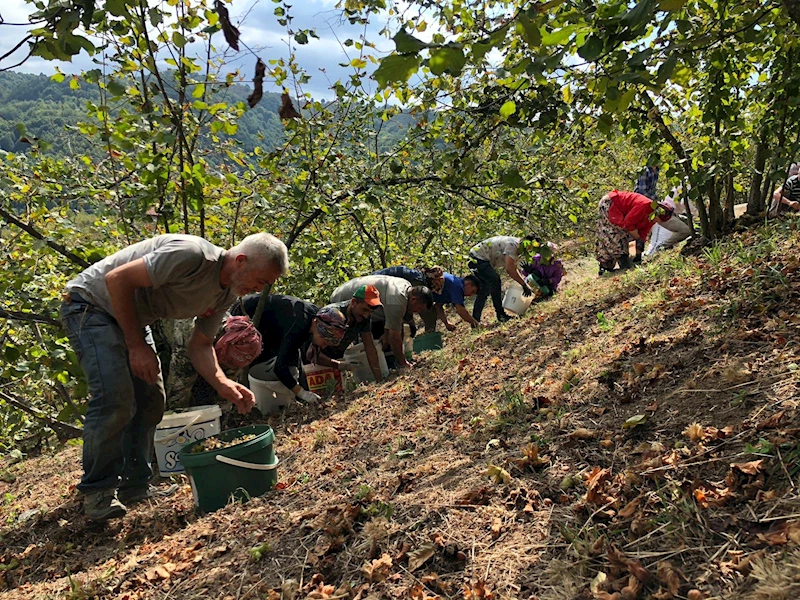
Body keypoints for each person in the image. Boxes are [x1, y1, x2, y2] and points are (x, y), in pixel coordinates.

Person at [59, 233, 289, 521]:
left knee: (152, 399)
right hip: (91, 306)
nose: (260, 288)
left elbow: (201, 344)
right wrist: (135, 345)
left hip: (133, 318)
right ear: (241, 261)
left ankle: (134, 484)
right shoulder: (192, 255)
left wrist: (223, 383)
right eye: (262, 280)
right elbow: (117, 279)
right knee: (115, 396)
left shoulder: (227, 292)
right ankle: (98, 491)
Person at [230, 295, 347, 403]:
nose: (324, 346)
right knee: (251, 359)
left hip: (272, 322)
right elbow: (280, 368)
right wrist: (302, 393)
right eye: (325, 341)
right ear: (318, 328)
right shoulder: (298, 326)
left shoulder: (317, 317)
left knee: (292, 359)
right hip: (248, 313)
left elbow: (300, 353)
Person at [330, 275, 433, 369]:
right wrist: (404, 364)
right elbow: (395, 337)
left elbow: (393, 320)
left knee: (381, 337)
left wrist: (386, 333)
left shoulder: (407, 288)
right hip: (343, 297)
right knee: (345, 337)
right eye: (419, 308)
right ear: (413, 299)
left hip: (363, 300)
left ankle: (385, 364)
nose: (417, 312)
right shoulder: (397, 301)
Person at [315, 285, 385, 381]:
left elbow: (369, 347)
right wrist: (338, 365)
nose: (366, 315)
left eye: (370, 312)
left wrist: (379, 379)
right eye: (364, 310)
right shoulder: (331, 315)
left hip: (336, 361)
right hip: (314, 364)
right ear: (353, 302)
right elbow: (312, 352)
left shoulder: (364, 318)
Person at [596, 190, 673, 275]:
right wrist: (638, 238)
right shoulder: (644, 206)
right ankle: (611, 262)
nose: (658, 222)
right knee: (616, 233)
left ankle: (632, 259)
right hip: (611, 203)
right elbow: (628, 223)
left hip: (623, 212)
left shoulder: (652, 217)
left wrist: (640, 245)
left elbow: (643, 232)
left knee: (632, 236)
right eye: (659, 220)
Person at [468, 235, 536, 323]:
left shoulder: (516, 247)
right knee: (495, 281)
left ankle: (475, 321)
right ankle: (500, 315)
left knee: (485, 289)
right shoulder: (513, 246)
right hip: (477, 258)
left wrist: (524, 284)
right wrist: (524, 285)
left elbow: (513, 268)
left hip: (476, 257)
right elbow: (509, 269)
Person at [645, 185, 692, 256]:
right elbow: (684, 203)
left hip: (672, 213)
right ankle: (660, 249)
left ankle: (661, 250)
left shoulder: (686, 183)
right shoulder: (687, 184)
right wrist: (697, 213)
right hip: (665, 215)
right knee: (655, 244)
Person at [633, 164, 660, 262]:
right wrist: (654, 201)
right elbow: (641, 191)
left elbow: (653, 189)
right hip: (639, 202)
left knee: (643, 229)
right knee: (634, 229)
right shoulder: (645, 171)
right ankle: (633, 255)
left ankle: (638, 255)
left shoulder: (656, 170)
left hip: (649, 202)